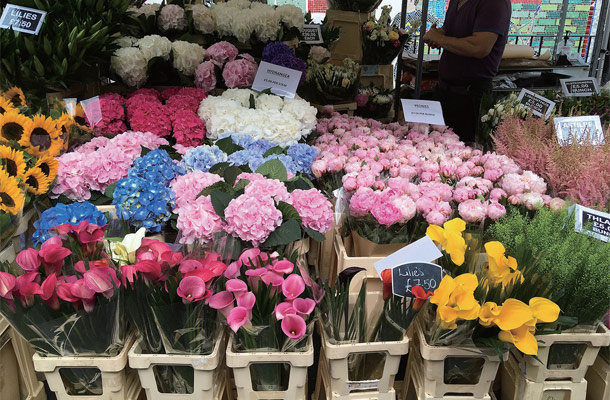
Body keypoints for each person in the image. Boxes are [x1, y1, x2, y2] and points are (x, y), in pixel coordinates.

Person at [422, 0, 511, 143]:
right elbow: (449, 29)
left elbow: (479, 47)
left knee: (461, 156)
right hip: (444, 91)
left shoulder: (494, 3)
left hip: (470, 97)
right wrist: (436, 34)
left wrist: (440, 39)